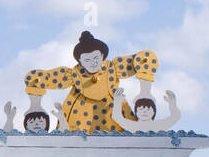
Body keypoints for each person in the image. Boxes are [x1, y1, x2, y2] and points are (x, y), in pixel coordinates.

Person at [24, 31, 158, 133]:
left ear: (102, 56)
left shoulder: (113, 67)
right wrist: (35, 104)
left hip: (112, 115)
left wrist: (145, 92)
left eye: (96, 58)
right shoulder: (73, 75)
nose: (93, 63)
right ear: (80, 61)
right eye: (87, 60)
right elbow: (40, 78)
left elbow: (144, 59)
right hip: (79, 120)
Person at [112, 87, 181, 131]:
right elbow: (117, 118)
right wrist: (117, 102)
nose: (144, 112)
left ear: (154, 112)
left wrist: (172, 104)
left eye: (148, 110)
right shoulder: (132, 126)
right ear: (136, 112)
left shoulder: (159, 126)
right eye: (141, 110)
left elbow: (175, 117)